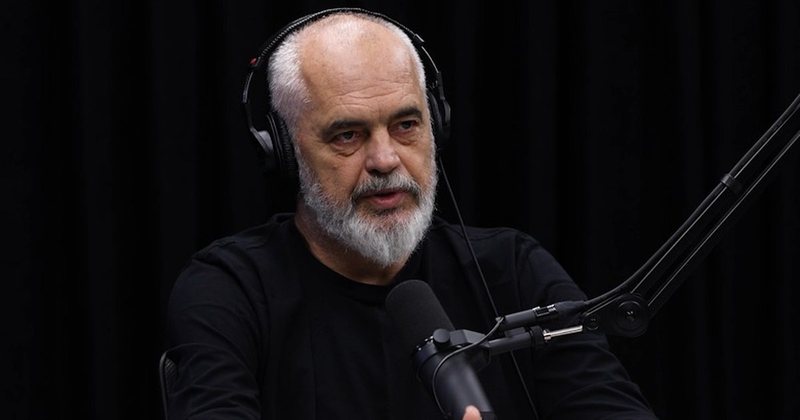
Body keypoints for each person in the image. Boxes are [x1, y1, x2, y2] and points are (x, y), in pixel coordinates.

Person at [164, 8, 659, 420]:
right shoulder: (228, 290)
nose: (385, 160)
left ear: (436, 126)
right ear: (286, 153)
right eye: (347, 135)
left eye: (405, 125)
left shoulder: (514, 270)